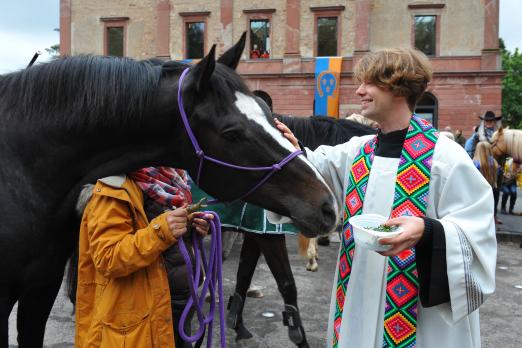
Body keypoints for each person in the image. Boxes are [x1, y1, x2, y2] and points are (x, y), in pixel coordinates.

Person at [273, 48, 496, 347]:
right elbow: (313, 171)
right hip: (359, 291)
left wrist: (428, 231)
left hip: (419, 314)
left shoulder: (447, 157)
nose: (359, 90)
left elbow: (478, 230)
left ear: (398, 88)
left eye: (369, 83)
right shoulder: (357, 150)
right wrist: (287, 147)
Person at [75, 167, 212, 348]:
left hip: (179, 304)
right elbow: (108, 258)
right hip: (143, 318)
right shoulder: (114, 190)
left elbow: (165, 237)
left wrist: (192, 229)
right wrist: (161, 232)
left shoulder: (173, 180)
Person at [473, 142, 501, 224]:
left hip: (478, 191)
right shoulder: (494, 163)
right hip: (492, 188)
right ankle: (493, 217)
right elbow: (499, 176)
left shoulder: (475, 163)